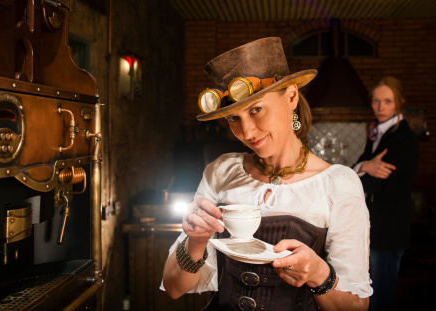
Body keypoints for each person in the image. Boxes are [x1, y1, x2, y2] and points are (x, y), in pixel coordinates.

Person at [162, 37, 372, 310]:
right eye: (233, 118)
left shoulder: (338, 185)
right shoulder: (221, 172)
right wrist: (196, 241)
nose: (247, 132)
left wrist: (319, 274)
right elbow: (173, 287)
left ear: (292, 96)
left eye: (256, 109)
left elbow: (357, 307)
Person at [353, 76, 419, 311]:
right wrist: (365, 166)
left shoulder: (403, 138)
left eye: (388, 101)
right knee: (370, 295)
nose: (380, 108)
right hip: (375, 228)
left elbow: (382, 184)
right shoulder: (378, 133)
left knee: (380, 299)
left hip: (389, 229)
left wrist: (358, 175)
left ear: (400, 101)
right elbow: (361, 166)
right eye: (376, 101)